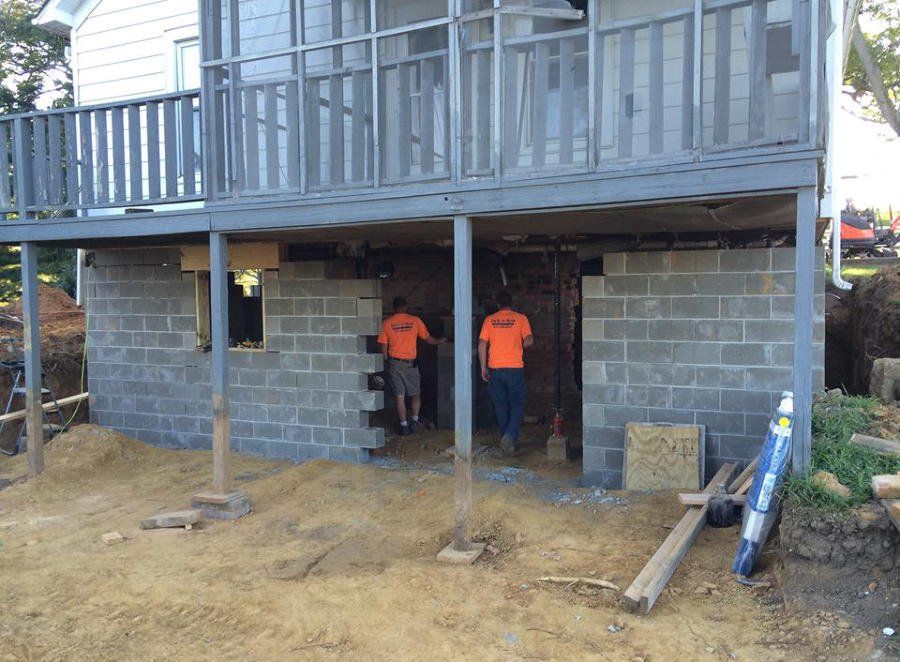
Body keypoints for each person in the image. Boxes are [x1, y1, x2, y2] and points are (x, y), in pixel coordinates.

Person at [378, 296, 446, 436]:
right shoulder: (415, 321)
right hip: (410, 364)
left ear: (394, 308)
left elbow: (383, 348)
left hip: (395, 363)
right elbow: (429, 340)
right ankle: (414, 421)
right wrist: (442, 340)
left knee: (399, 396)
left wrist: (388, 363)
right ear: (405, 307)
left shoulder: (386, 323)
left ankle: (404, 426)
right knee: (416, 394)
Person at [478, 291, 534, 455]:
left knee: (500, 404)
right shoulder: (521, 319)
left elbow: (482, 344)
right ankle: (509, 436)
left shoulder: (489, 320)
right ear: (511, 303)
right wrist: (526, 342)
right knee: (517, 403)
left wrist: (483, 367)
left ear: (497, 304)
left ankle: (505, 438)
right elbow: (529, 340)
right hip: (515, 368)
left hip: (495, 368)